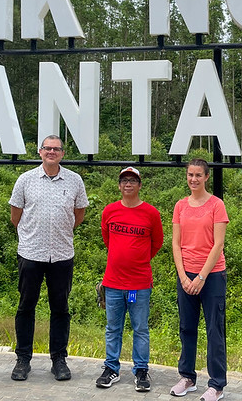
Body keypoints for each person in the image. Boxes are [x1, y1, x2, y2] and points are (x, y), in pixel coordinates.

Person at [9, 135, 89, 381]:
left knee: (60, 309)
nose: (51, 152)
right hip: (31, 252)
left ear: (63, 153)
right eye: (47, 148)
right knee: (26, 307)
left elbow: (79, 214)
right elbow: (15, 216)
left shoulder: (74, 180)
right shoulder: (25, 180)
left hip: (62, 254)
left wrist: (60, 230)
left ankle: (59, 360)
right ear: (40, 151)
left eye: (56, 149)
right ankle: (23, 359)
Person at [95, 167, 164, 392]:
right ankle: (111, 368)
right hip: (113, 283)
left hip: (139, 285)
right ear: (119, 185)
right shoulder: (110, 211)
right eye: (124, 180)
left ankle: (141, 370)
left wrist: (139, 259)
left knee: (140, 329)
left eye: (133, 180)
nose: (128, 184)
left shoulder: (151, 213)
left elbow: (157, 242)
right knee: (113, 328)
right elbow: (107, 238)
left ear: (139, 185)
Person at [170, 159, 229, 401]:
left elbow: (218, 244)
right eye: (190, 175)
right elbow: (176, 243)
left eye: (198, 175)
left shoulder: (217, 205)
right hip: (186, 275)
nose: (193, 179)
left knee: (214, 330)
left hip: (212, 276)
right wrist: (184, 276)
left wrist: (202, 277)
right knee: (186, 327)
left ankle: (216, 385)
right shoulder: (180, 205)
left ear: (206, 177)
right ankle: (187, 377)